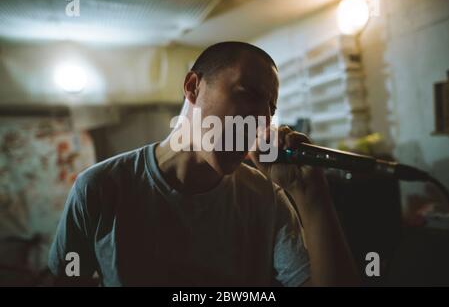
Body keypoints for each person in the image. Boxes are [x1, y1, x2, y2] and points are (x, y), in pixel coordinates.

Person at [48, 41, 359, 286]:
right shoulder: (100, 188)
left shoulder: (267, 199)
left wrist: (311, 197)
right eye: (248, 93)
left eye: (270, 107)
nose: (263, 119)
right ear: (193, 87)